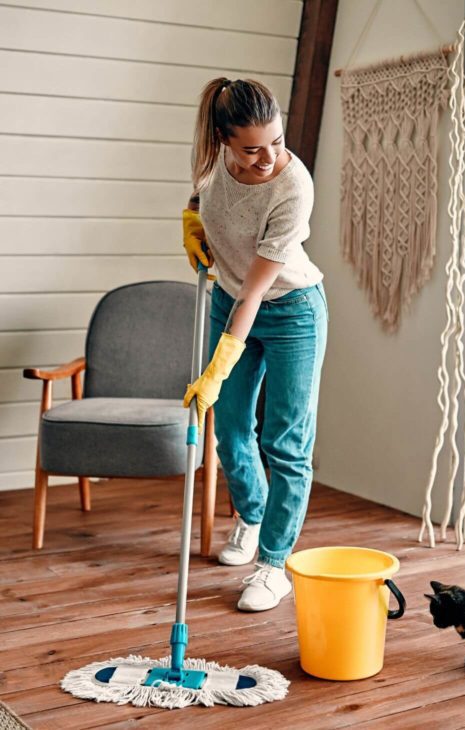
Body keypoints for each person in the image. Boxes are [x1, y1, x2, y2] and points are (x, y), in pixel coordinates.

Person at [182, 77, 327, 612]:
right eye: (252, 148)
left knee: (285, 442)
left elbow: (255, 292)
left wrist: (216, 368)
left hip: (290, 310)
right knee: (233, 430)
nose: (268, 157)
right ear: (224, 140)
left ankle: (273, 564)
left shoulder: (293, 188)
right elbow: (201, 199)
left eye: (278, 142)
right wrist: (190, 223)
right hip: (227, 299)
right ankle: (252, 514)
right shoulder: (210, 160)